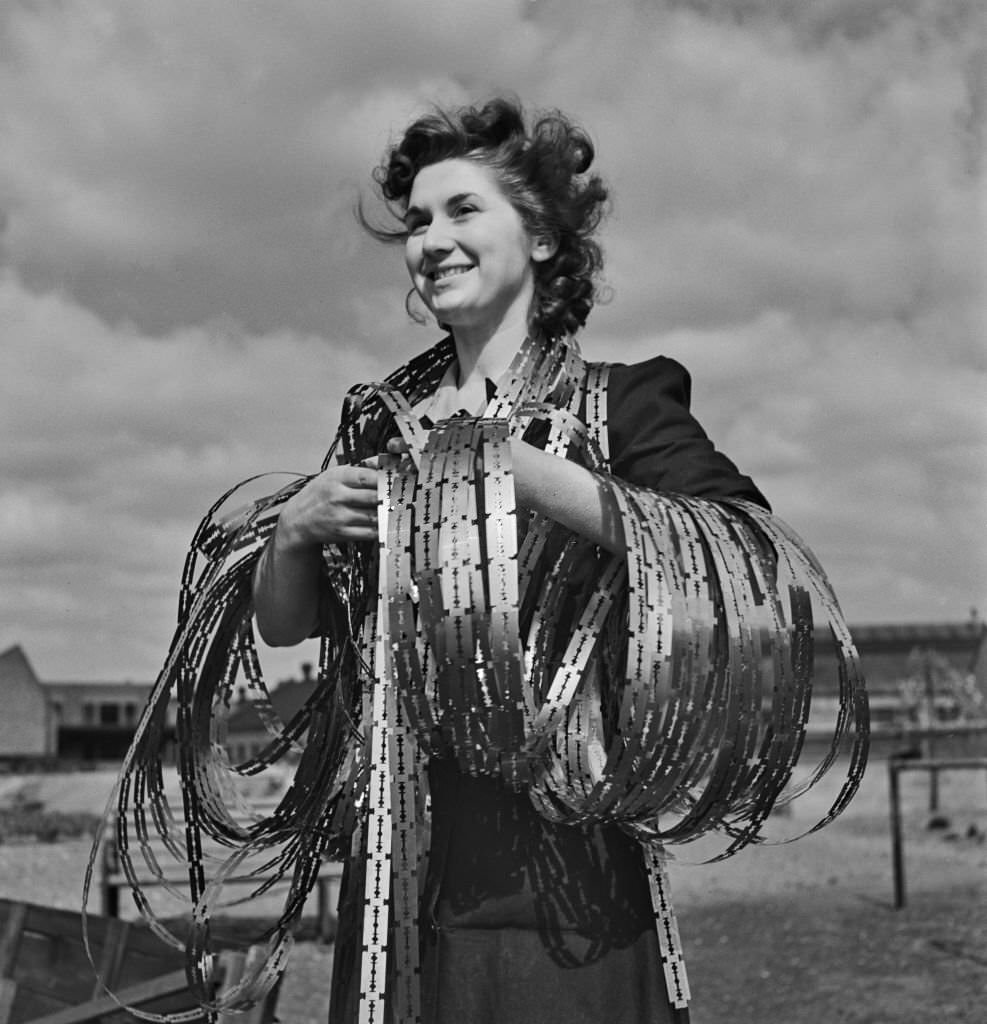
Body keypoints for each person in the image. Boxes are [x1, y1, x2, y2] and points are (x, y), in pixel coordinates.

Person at [95, 97, 865, 1024]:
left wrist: (518, 471)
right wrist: (297, 530)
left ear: (541, 238)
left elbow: (745, 559)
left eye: (464, 211)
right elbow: (288, 626)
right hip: (397, 877)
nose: (431, 240)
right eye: (418, 221)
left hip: (564, 872)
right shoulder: (380, 427)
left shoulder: (622, 405)